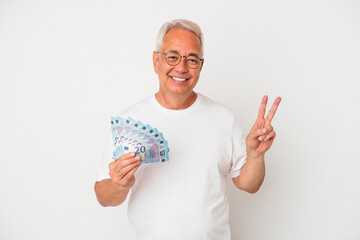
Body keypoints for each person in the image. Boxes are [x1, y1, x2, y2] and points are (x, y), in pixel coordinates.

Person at [94, 19, 281, 239]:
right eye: (172, 57)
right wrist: (118, 183)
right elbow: (103, 197)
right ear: (156, 61)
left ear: (201, 66)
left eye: (191, 60)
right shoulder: (130, 120)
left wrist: (256, 156)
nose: (181, 68)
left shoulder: (224, 118)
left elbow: (249, 185)